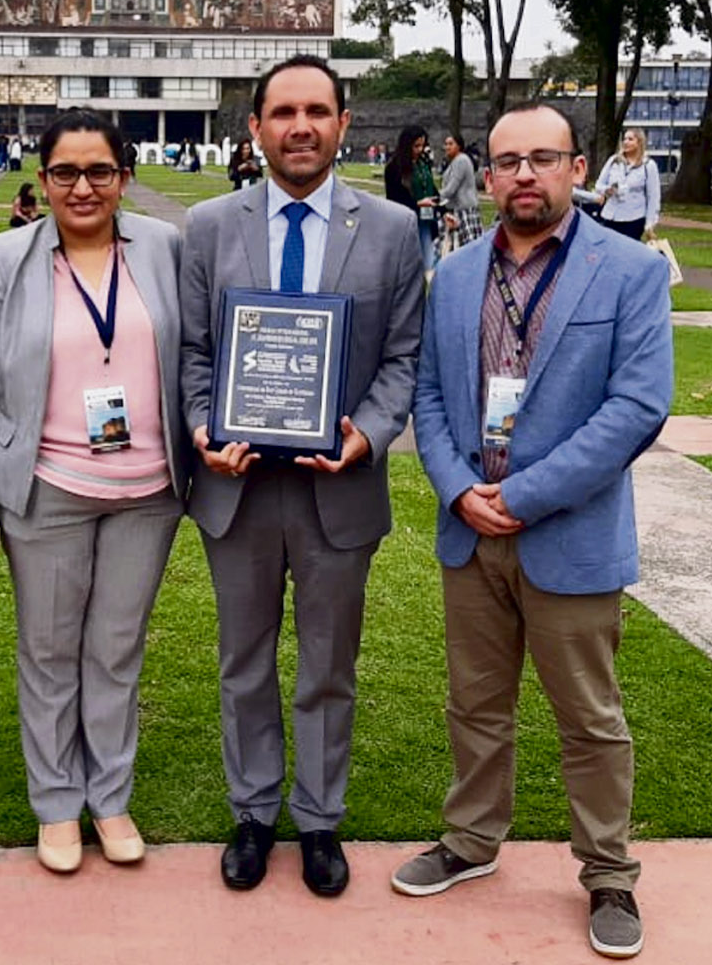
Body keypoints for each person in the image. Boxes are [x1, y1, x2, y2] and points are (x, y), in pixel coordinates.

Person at [397, 101, 671, 960]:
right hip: (471, 529)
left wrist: (527, 494)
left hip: (568, 531)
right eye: (508, 160)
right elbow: (431, 398)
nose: (524, 174)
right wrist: (456, 488)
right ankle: (472, 840)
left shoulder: (628, 272)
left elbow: (635, 409)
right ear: (487, 176)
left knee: (589, 716)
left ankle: (608, 873)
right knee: (475, 703)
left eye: (543, 159)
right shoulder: (457, 275)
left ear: (577, 171)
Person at [180, 55, 425, 897]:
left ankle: (319, 819)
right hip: (237, 485)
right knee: (242, 660)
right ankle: (253, 813)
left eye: (317, 111)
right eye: (283, 112)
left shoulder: (391, 229)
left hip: (340, 485)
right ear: (255, 127)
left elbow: (403, 356)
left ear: (343, 124)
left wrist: (374, 432)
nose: (300, 127)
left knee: (328, 664)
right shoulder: (208, 225)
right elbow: (193, 352)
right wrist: (203, 427)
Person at [0, 110, 189, 874]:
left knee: (116, 651)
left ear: (124, 176)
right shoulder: (6, 257)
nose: (82, 188)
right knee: (50, 653)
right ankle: (57, 804)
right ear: (43, 178)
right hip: (46, 487)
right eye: (65, 173)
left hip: (149, 489)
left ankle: (109, 799)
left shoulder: (165, 247)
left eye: (99, 172)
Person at [384, 124, 441, 272]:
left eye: (422, 145)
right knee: (408, 266)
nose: (420, 150)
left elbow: (432, 188)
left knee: (428, 263)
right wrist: (417, 204)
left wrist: (444, 210)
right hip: (406, 222)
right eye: (416, 146)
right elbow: (393, 199)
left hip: (425, 219)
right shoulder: (394, 168)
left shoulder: (423, 163)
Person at [590, 128, 661, 242]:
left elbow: (653, 197)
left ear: (639, 142)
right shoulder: (614, 160)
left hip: (634, 218)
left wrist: (650, 223)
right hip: (610, 216)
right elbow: (599, 185)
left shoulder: (648, 165)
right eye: (624, 139)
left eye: (630, 139)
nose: (626, 142)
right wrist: (608, 190)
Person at [439, 132, 481, 251]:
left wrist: (436, 197)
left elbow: (452, 188)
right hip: (456, 209)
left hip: (464, 211)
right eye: (446, 144)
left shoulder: (461, 160)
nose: (447, 147)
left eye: (451, 144)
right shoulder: (454, 161)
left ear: (459, 146)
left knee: (466, 248)